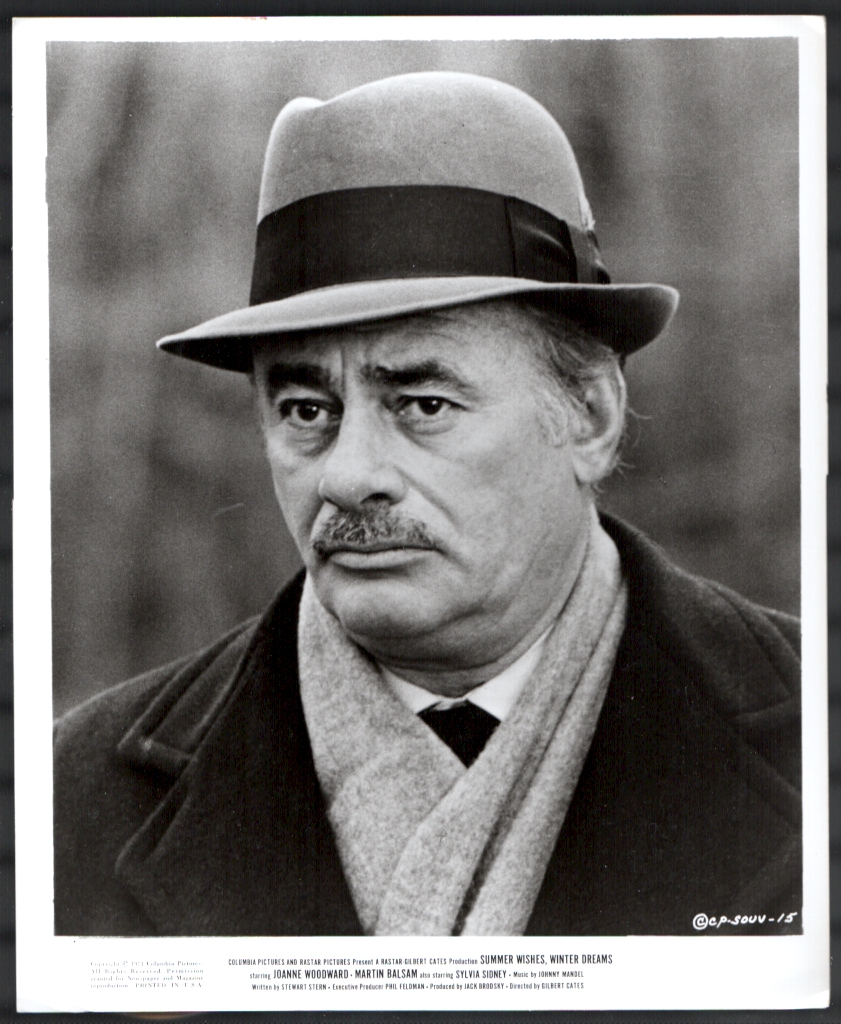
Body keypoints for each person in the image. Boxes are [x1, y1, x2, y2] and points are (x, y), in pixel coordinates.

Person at [53, 72, 801, 937]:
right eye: (306, 411)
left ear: (590, 416)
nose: (345, 477)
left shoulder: (808, 736)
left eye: (423, 403)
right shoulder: (77, 796)